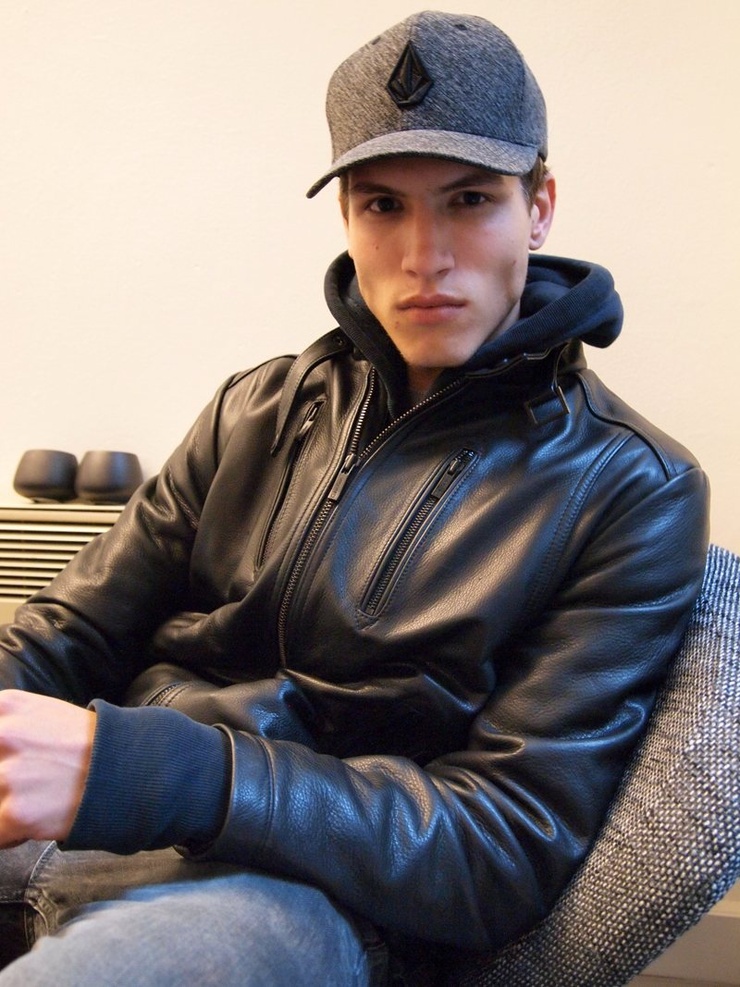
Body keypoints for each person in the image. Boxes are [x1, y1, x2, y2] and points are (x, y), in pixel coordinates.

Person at [0, 11, 709, 986]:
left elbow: (501, 849)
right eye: (382, 205)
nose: (424, 255)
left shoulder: (631, 488)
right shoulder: (255, 406)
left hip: (307, 900)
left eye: (468, 200)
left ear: (539, 207)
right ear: (345, 216)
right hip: (90, 829)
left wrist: (158, 771)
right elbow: (65, 635)